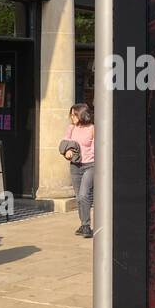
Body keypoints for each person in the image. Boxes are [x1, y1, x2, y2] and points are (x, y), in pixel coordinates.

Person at [63, 102, 94, 238]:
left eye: (74, 114)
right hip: (75, 166)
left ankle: (86, 225)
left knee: (83, 194)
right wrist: (67, 151)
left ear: (82, 114)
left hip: (91, 165)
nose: (72, 117)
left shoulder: (93, 128)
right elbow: (65, 142)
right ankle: (83, 224)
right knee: (78, 198)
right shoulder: (71, 128)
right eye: (71, 114)